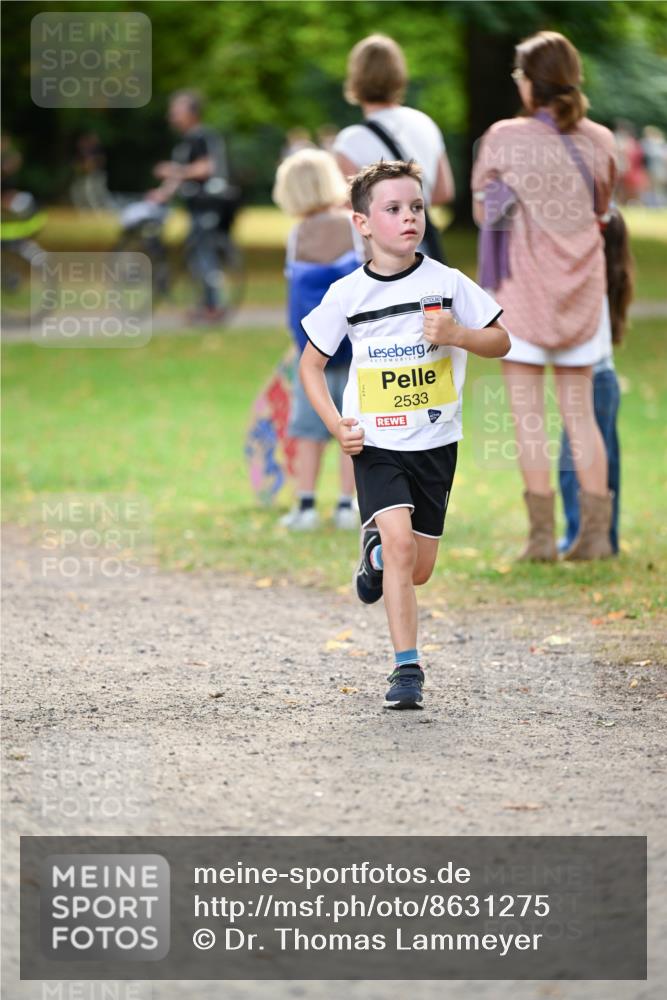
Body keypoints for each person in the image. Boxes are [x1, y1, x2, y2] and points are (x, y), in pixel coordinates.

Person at [299, 160, 510, 708]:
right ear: (363, 223)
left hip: (436, 442)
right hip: (375, 443)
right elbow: (310, 366)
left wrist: (459, 333)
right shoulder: (347, 294)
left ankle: (373, 561)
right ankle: (406, 669)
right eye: (392, 209)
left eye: (415, 207)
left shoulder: (446, 282)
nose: (408, 217)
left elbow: (502, 341)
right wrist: (336, 426)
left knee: (416, 568)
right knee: (398, 544)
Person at [472, 30, 618, 561]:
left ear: (531, 82)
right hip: (583, 291)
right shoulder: (600, 139)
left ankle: (539, 542)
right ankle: (596, 538)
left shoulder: (504, 137)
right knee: (581, 415)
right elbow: (603, 207)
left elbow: (482, 213)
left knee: (528, 418)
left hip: (523, 294)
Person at [272, 149, 366, 530]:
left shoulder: (297, 236)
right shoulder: (352, 226)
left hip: (313, 351)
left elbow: (294, 294)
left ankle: (306, 505)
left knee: (308, 430)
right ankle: (348, 505)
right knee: (352, 426)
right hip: (357, 346)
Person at [333, 34, 455, 262]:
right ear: (399, 76)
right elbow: (443, 192)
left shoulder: (350, 141)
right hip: (422, 251)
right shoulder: (424, 123)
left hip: (379, 260)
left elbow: (350, 209)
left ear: (355, 78)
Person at [559, 209, 634, 554]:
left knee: (576, 464)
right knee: (605, 462)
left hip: (592, 380)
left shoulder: (590, 286)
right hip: (604, 380)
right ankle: (603, 536)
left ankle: (582, 534)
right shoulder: (609, 279)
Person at [150, 90, 232, 322]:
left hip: (210, 204)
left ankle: (213, 306)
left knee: (204, 254)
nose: (172, 115)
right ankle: (205, 304)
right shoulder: (186, 141)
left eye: (177, 110)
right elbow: (179, 176)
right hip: (196, 205)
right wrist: (162, 193)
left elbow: (206, 168)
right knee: (196, 254)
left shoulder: (202, 136)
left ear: (193, 113)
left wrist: (174, 171)